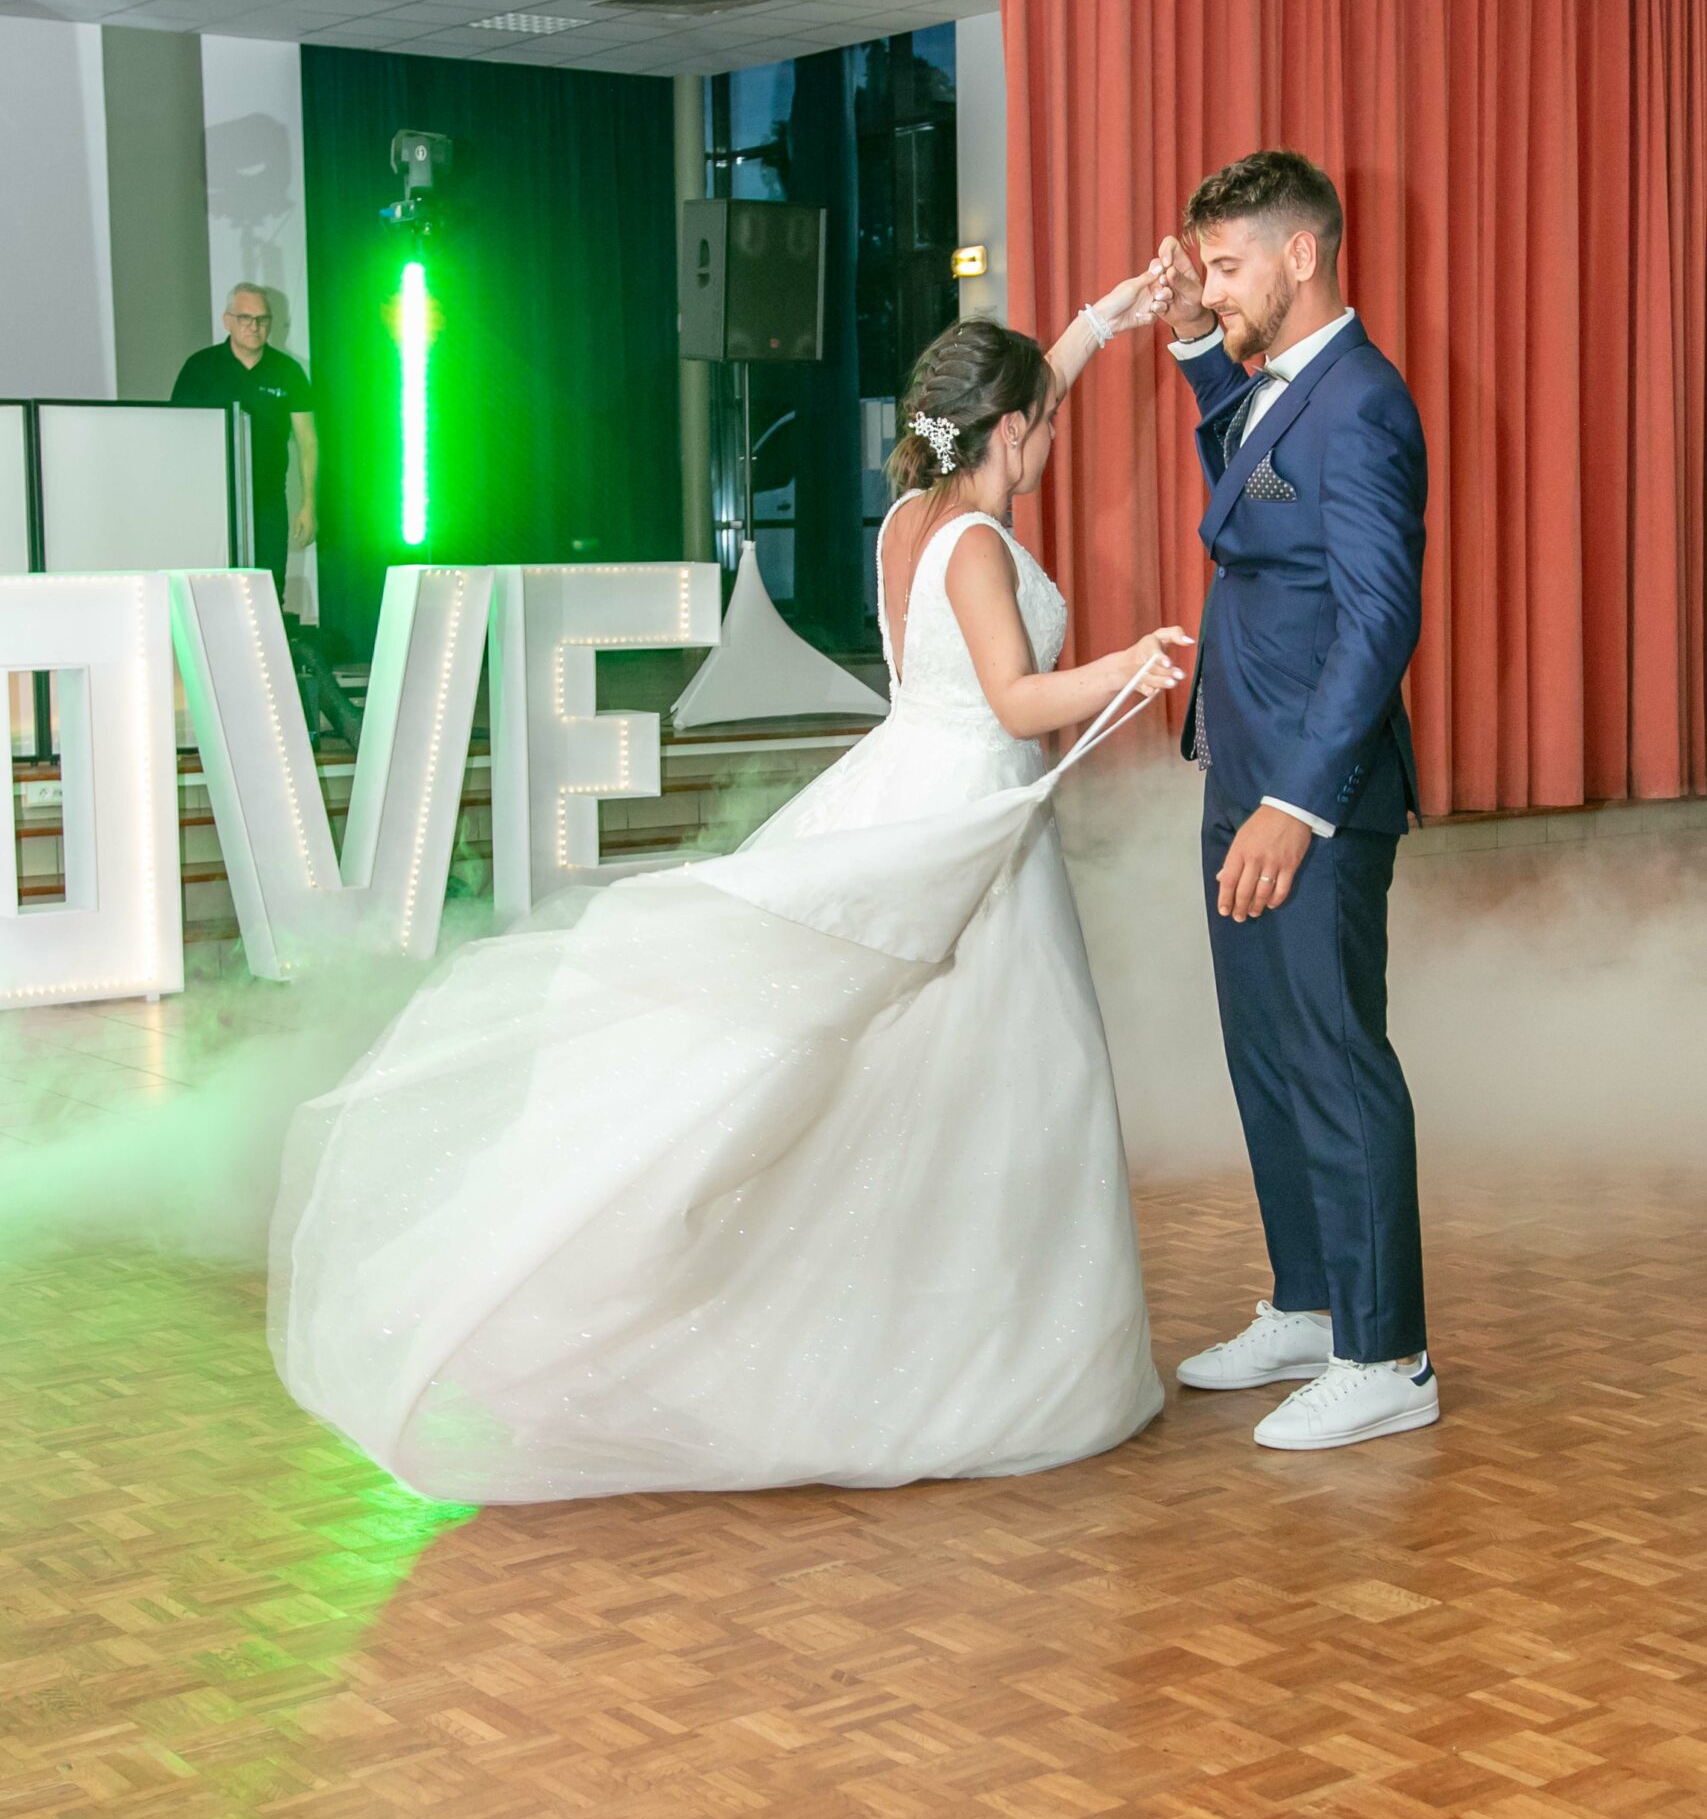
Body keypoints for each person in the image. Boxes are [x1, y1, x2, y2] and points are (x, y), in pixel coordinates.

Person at [268, 287, 1193, 1504]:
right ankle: (996, 1364)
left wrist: (1102, 321)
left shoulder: (912, 515)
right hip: (969, 818)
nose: (1057, 432)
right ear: (1007, 430)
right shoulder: (974, 544)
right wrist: (1129, 664)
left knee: (929, 1074)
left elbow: (1022, 407)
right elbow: (1018, 702)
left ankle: (959, 1335)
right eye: (1044, 420)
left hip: (914, 784)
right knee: (1018, 1075)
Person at [1156, 150, 1434, 1453]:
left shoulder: (1362, 404)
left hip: (1308, 798)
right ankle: (1311, 1304)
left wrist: (1297, 805)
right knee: (1264, 1052)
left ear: (1301, 254)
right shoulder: (1284, 388)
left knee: (1332, 1057)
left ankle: (1387, 1356)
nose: (1212, 289)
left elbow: (1379, 621)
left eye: (1225, 268)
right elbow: (1249, 478)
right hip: (1243, 772)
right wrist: (1190, 346)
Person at [172, 285, 316, 604]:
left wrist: (309, 504)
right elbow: (178, 434)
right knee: (210, 588)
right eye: (245, 318)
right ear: (228, 321)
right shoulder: (200, 367)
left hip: (268, 497)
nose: (254, 327)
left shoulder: (287, 371)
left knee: (269, 587)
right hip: (211, 497)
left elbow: (308, 440)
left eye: (262, 319)